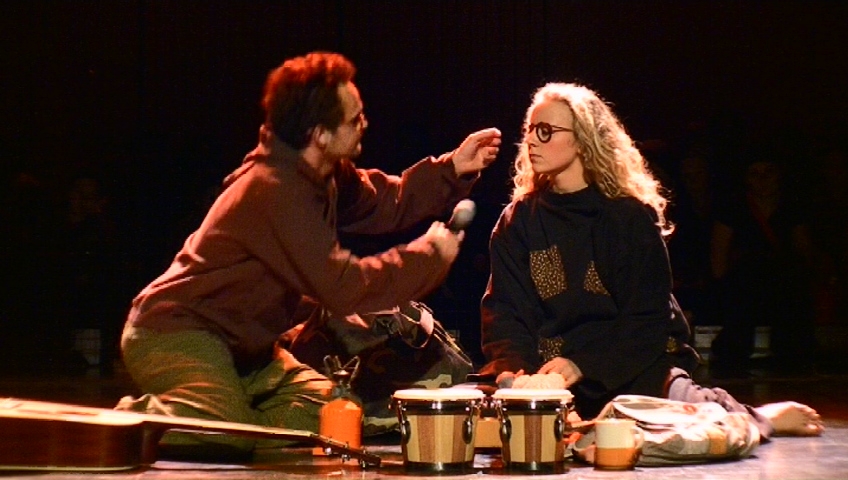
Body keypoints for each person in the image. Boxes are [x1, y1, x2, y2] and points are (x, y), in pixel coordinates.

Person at [115, 51, 502, 457]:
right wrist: (428, 256)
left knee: (336, 412)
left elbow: (386, 202)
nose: (364, 124)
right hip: (179, 332)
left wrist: (453, 168)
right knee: (224, 433)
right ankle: (143, 419)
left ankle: (222, 415)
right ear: (320, 134)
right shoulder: (274, 190)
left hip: (247, 351)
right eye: (354, 119)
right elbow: (344, 288)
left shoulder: (323, 174)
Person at [478, 82, 822, 439]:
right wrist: (517, 374)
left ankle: (760, 416)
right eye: (530, 129)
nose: (531, 141)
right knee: (473, 410)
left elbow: (647, 319)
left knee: (686, 419)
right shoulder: (518, 221)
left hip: (628, 363)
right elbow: (505, 312)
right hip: (549, 374)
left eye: (546, 131)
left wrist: (583, 365)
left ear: (582, 140)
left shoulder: (626, 218)